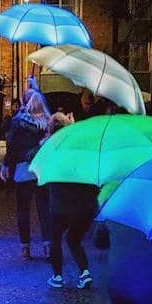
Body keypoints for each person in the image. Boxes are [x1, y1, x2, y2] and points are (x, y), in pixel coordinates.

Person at [44, 113, 98, 290]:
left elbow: (32, 157)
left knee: (55, 238)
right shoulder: (81, 147)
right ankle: (85, 272)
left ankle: (57, 276)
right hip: (84, 204)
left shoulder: (50, 149)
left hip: (60, 204)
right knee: (73, 239)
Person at [1, 89, 52, 260]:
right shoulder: (47, 122)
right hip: (42, 169)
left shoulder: (18, 122)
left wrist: (6, 165)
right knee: (44, 208)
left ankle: (25, 248)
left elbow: (12, 146)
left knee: (23, 209)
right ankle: (47, 246)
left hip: (23, 168)